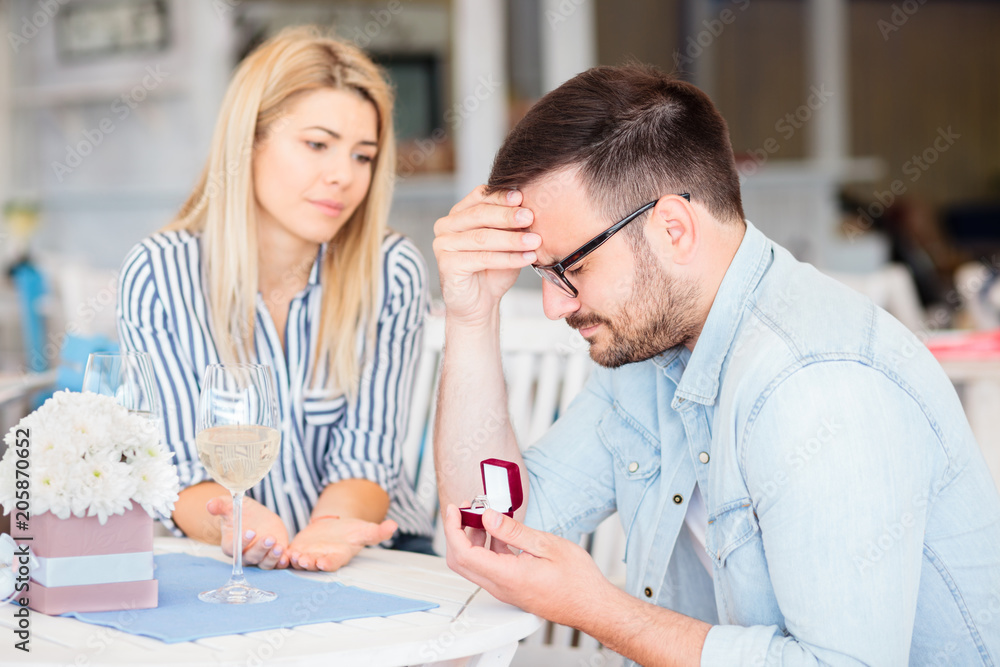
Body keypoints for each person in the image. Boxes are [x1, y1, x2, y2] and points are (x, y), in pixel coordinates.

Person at [433, 64, 1000, 665]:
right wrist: (472, 316)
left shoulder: (818, 386)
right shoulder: (650, 352)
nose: (553, 306)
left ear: (673, 229)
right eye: (542, 275)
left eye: (571, 268)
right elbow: (495, 528)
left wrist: (596, 608)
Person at [117, 27, 434, 572]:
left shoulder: (391, 271)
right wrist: (237, 524)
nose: (342, 176)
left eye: (364, 156)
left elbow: (368, 457)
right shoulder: (158, 273)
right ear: (250, 141)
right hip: (221, 558)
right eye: (317, 144)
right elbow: (172, 474)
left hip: (372, 557)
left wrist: (325, 534)